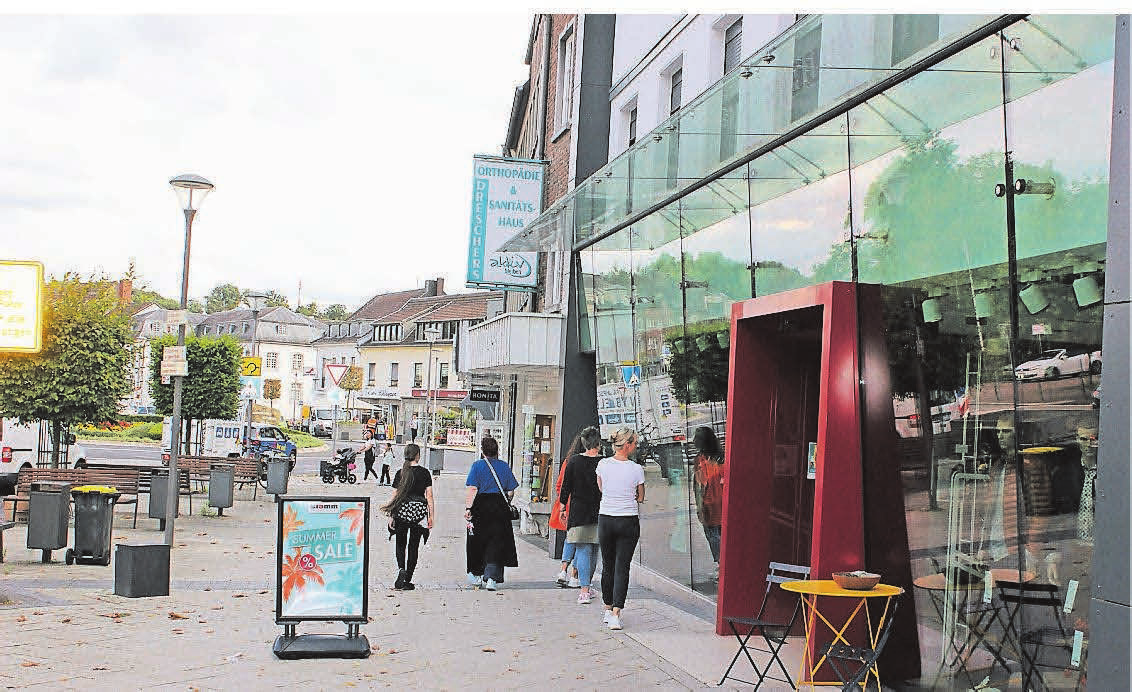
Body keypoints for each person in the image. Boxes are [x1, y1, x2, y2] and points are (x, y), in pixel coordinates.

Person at [597, 427, 645, 630]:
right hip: (628, 520)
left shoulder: (602, 464)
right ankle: (617, 613)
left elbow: (601, 487)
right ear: (627, 445)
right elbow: (640, 496)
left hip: (606, 518)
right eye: (634, 443)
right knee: (622, 567)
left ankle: (608, 608)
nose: (635, 447)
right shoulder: (636, 469)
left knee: (608, 565)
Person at [465, 436, 519, 591]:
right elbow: (510, 490)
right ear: (497, 451)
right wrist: (506, 502)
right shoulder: (504, 466)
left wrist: (468, 508)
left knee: (477, 541)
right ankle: (492, 579)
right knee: (496, 541)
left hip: (480, 507)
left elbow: (473, 489)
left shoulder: (477, 466)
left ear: (483, 451)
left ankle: (476, 575)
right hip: (499, 508)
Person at [380, 443, 434, 590]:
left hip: (402, 511)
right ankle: (407, 579)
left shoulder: (400, 473)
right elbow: (429, 496)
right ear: (417, 455)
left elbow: (395, 495)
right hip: (419, 513)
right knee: (413, 546)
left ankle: (401, 569)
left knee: (400, 543)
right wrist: (431, 516)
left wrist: (391, 515)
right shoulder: (424, 473)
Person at [559, 426, 603, 604]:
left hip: (578, 512)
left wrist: (562, 507)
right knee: (594, 551)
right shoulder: (605, 462)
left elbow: (565, 486)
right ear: (598, 444)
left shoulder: (574, 461)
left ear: (584, 443)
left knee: (583, 549)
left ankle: (584, 591)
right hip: (601, 512)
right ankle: (588, 586)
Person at [692, 426, 724, 578]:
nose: (693, 441)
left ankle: (721, 565)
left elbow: (700, 485)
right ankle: (724, 564)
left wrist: (699, 505)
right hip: (723, 501)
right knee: (721, 534)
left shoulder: (700, 459)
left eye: (697, 438)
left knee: (712, 535)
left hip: (710, 502)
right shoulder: (721, 456)